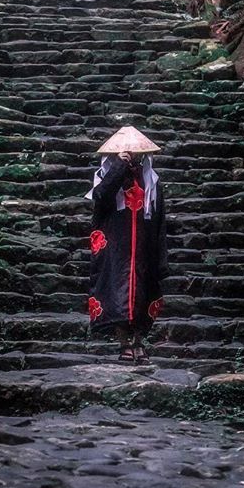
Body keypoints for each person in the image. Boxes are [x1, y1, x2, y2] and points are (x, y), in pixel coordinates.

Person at [85, 125, 168, 363]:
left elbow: (159, 218)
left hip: (144, 247)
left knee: (143, 294)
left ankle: (139, 342)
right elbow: (100, 199)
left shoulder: (150, 181)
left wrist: (161, 255)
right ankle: (124, 343)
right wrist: (119, 168)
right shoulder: (107, 175)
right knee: (117, 294)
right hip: (116, 248)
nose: (131, 156)